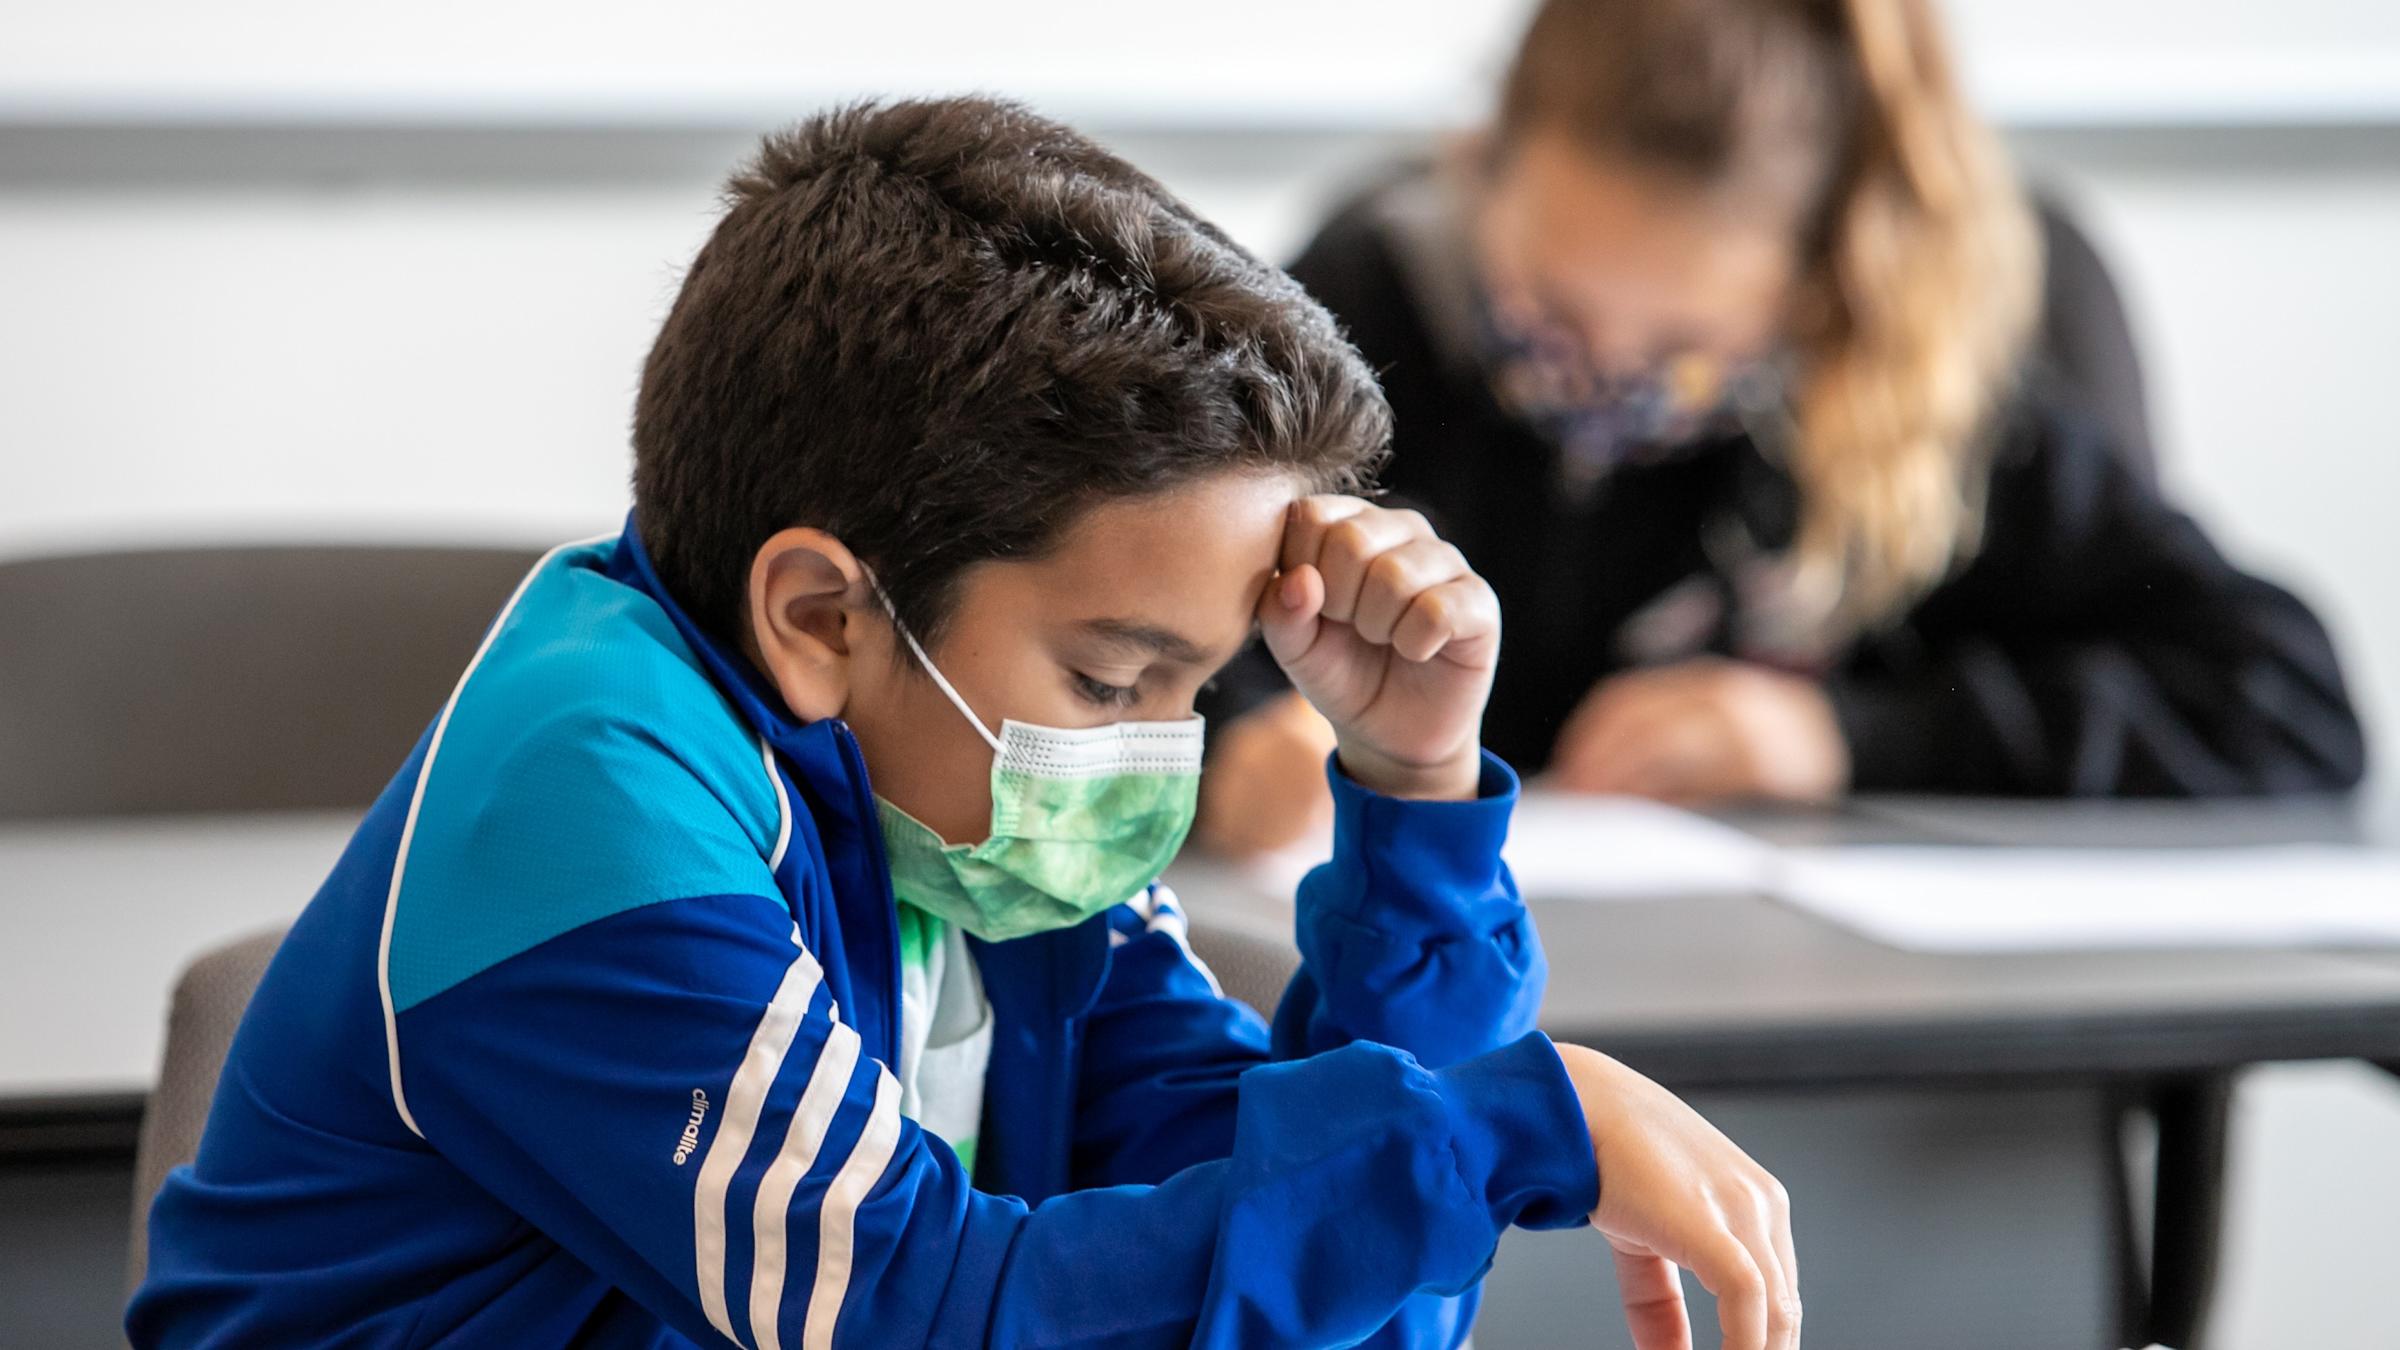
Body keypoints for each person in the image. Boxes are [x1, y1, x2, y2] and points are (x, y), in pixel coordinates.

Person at [127, 100, 1801, 1350]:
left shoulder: (970, 817)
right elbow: (929, 1311)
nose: (1158, 751)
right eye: (1114, 680)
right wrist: (1496, 1133)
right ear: (823, 617)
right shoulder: (588, 800)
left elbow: (1317, 1280)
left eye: (1198, 685)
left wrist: (1414, 785)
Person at [1195, 0, 2366, 855]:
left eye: (1681, 349)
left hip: (1832, 1039)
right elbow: (1152, 607)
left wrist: (1843, 739)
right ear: (1482, 174)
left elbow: (2284, 699)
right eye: (1547, 313)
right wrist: (1237, 746)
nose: (1599, 379)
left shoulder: (1925, 397)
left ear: (1817, 293)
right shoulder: (1370, 306)